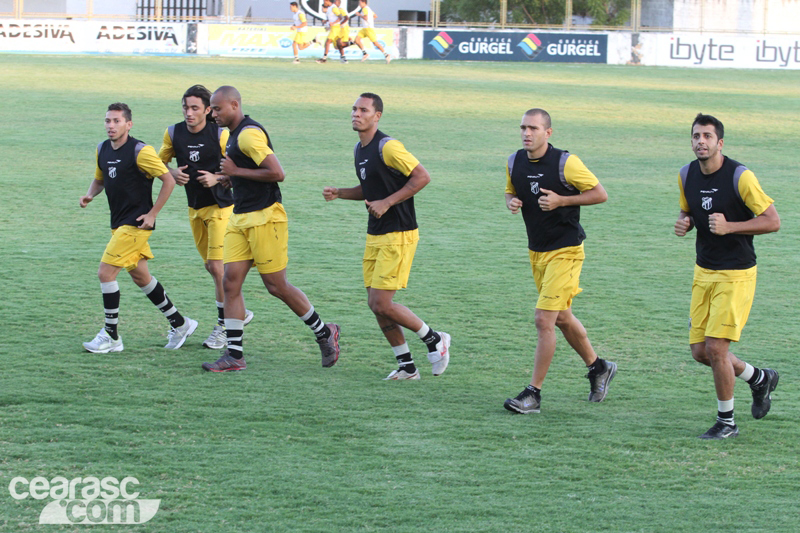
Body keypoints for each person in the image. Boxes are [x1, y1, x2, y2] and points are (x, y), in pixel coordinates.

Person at [201, 86, 340, 372]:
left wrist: (236, 172)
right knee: (230, 283)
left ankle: (325, 332)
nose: (212, 113)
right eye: (211, 109)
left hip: (266, 217)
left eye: (217, 108)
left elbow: (277, 173)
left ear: (234, 105)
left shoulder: (250, 134)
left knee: (276, 286)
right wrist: (233, 180)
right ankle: (235, 356)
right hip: (240, 218)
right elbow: (249, 172)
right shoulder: (233, 135)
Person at [322, 93, 450, 380]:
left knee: (381, 303)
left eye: (363, 110)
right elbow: (371, 190)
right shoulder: (360, 149)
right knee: (376, 305)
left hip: (399, 233)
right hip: (376, 234)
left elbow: (422, 177)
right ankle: (407, 366)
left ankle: (435, 339)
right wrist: (340, 193)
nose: (356, 114)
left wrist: (388, 202)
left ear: (377, 115)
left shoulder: (388, 146)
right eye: (354, 108)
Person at [675, 113, 780, 439]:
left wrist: (731, 226)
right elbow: (688, 209)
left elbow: (772, 221)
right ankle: (758, 378)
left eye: (707, 136)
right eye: (696, 136)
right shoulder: (686, 174)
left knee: (717, 348)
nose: (700, 142)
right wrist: (685, 221)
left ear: (720, 143)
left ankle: (727, 422)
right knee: (700, 352)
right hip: (703, 271)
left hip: (736, 274)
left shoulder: (740, 176)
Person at [502, 108, 614, 414]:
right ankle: (599, 367)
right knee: (562, 317)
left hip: (566, 250)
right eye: (523, 127)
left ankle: (533, 394)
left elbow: (600, 194)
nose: (527, 133)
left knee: (544, 319)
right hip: (536, 251)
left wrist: (562, 200)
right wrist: (511, 201)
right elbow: (510, 190)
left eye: (534, 128)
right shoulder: (514, 161)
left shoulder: (567, 163)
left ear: (548, 133)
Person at [80, 103, 197, 353]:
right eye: (107, 121)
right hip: (118, 224)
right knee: (141, 276)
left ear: (128, 124)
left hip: (135, 225)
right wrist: (90, 195)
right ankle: (180, 323)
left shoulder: (140, 151)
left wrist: (153, 214)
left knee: (105, 273)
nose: (111, 126)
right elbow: (100, 178)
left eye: (116, 121)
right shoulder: (102, 149)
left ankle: (111, 335)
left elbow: (168, 179)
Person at [158, 84, 254, 351]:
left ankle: (225, 325)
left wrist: (219, 177)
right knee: (213, 269)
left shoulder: (221, 135)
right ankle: (240, 313)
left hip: (222, 208)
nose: (189, 113)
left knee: (217, 267)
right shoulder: (173, 133)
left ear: (208, 110)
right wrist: (171, 172)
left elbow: (243, 171)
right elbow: (155, 164)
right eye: (185, 108)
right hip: (195, 208)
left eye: (195, 108)